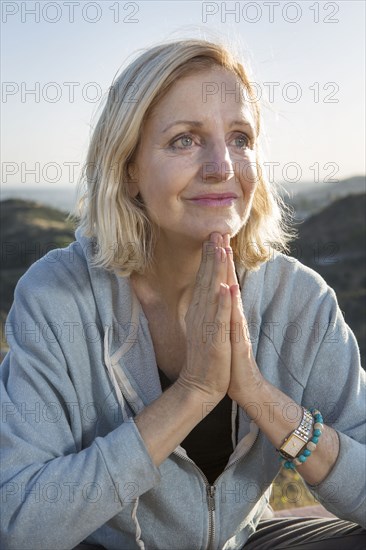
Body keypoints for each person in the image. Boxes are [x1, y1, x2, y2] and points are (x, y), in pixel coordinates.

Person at [1, 39, 365, 550]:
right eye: (185, 141)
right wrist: (191, 394)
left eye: (240, 138)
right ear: (128, 169)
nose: (222, 166)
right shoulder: (58, 297)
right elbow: (18, 520)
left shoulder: (298, 299)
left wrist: (261, 398)